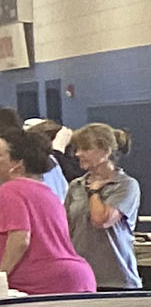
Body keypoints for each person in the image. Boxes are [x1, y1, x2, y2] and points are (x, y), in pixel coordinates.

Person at [1, 121, 98, 294]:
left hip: (43, 283)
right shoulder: (47, 192)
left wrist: (1, 277)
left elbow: (20, 238)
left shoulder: (10, 190)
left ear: (18, 164)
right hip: (77, 278)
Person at [65, 120, 139, 289]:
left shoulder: (126, 185)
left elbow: (101, 220)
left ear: (106, 151)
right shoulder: (76, 186)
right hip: (82, 278)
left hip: (116, 280)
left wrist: (94, 192)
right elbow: (65, 227)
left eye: (85, 149)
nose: (78, 154)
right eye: (77, 149)